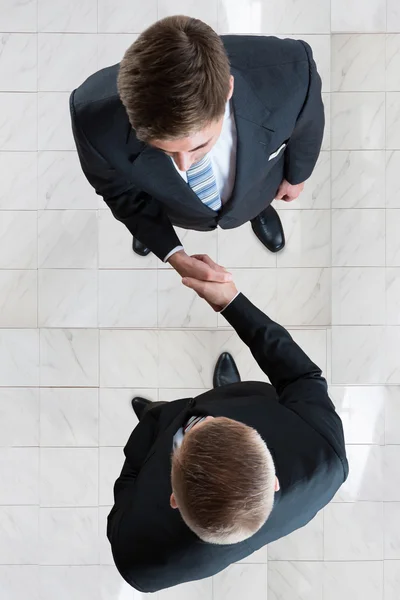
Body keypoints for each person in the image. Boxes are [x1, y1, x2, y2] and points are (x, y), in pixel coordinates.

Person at [107, 255, 348, 593]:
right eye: (220, 422)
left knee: (162, 416)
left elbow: (125, 492)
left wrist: (151, 434)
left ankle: (159, 415)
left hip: (155, 441)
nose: (199, 417)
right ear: (274, 480)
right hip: (243, 400)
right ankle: (220, 396)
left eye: (195, 427)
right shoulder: (327, 458)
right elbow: (300, 376)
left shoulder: (140, 562)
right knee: (198, 408)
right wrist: (232, 302)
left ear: (173, 498)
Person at [70, 15, 324, 285]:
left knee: (250, 193)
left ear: (228, 89)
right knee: (145, 215)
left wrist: (297, 177)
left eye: (199, 146)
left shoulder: (292, 72)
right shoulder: (91, 117)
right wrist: (171, 251)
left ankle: (256, 211)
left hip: (258, 186)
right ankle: (151, 230)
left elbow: (307, 125)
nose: (184, 166)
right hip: (168, 204)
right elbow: (119, 191)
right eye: (165, 150)